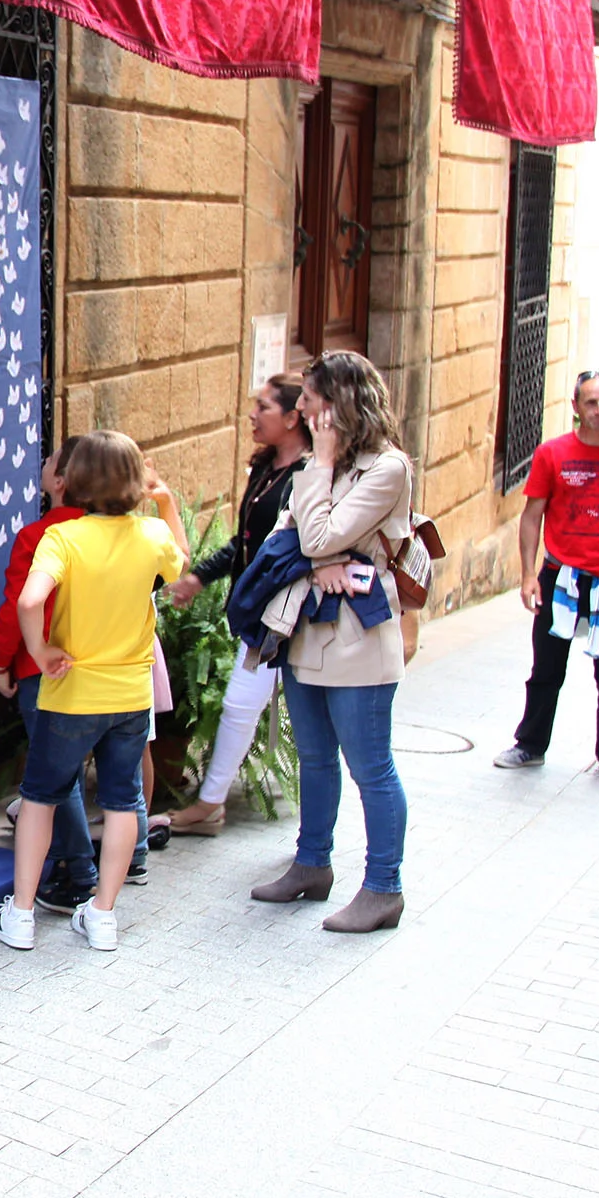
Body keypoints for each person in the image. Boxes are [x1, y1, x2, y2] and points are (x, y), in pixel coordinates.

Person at [0, 431, 184, 953]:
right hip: (129, 694)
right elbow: (180, 563)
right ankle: (102, 916)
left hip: (70, 693)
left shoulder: (61, 538)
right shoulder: (151, 535)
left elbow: (29, 601)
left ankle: (22, 916)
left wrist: (41, 649)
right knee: (121, 801)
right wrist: (167, 504)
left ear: (75, 481)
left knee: (41, 797)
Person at [248, 351, 413, 933]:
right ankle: (311, 864)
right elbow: (285, 536)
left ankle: (383, 887)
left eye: (313, 400)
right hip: (305, 633)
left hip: (358, 643)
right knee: (315, 760)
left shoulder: (385, 468)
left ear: (339, 403)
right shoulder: (324, 466)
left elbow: (315, 535)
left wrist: (318, 543)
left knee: (371, 767)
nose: (305, 409)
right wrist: (317, 561)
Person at [163, 374, 312, 834]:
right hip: (258, 612)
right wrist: (198, 578)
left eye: (263, 407)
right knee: (241, 705)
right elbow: (245, 542)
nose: (252, 414)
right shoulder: (268, 468)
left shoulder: (308, 476)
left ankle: (213, 805)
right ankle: (211, 804)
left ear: (292, 417)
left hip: (288, 614)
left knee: (249, 705)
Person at [494, 372, 599, 785]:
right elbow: (532, 517)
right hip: (561, 575)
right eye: (591, 402)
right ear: (575, 406)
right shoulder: (552, 453)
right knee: (546, 667)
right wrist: (528, 574)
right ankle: (530, 746)